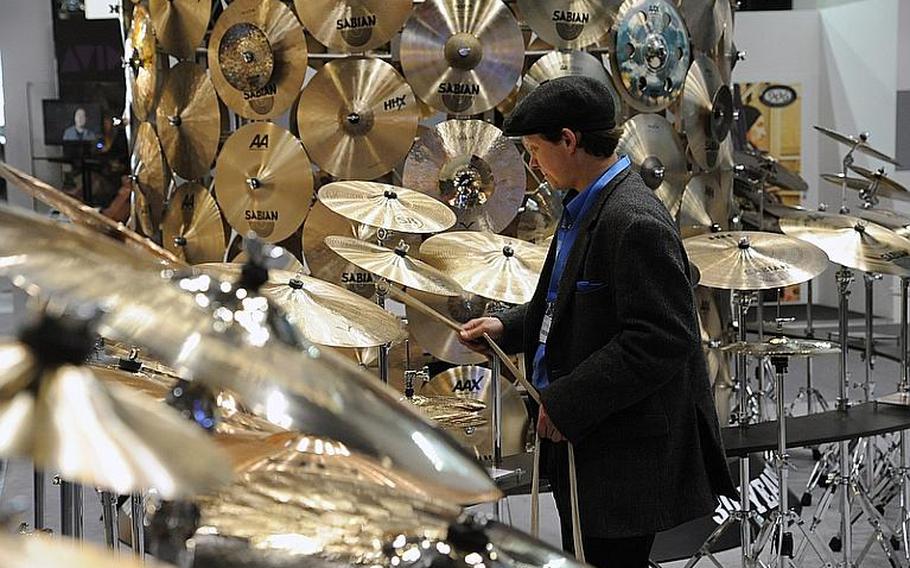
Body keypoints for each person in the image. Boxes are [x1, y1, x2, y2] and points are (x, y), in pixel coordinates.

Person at [459, 76, 736, 568]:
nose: (533, 163)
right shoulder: (582, 206)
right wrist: (508, 328)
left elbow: (660, 339)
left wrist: (568, 401)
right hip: (589, 440)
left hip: (623, 453)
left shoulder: (632, 220)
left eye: (536, 149)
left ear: (569, 140)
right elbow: (564, 306)